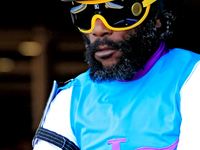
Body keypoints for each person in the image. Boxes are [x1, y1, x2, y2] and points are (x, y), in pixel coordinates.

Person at [32, 0, 200, 149]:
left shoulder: (192, 74)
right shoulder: (70, 98)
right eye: (85, 15)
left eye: (116, 13)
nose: (98, 30)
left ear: (155, 17)